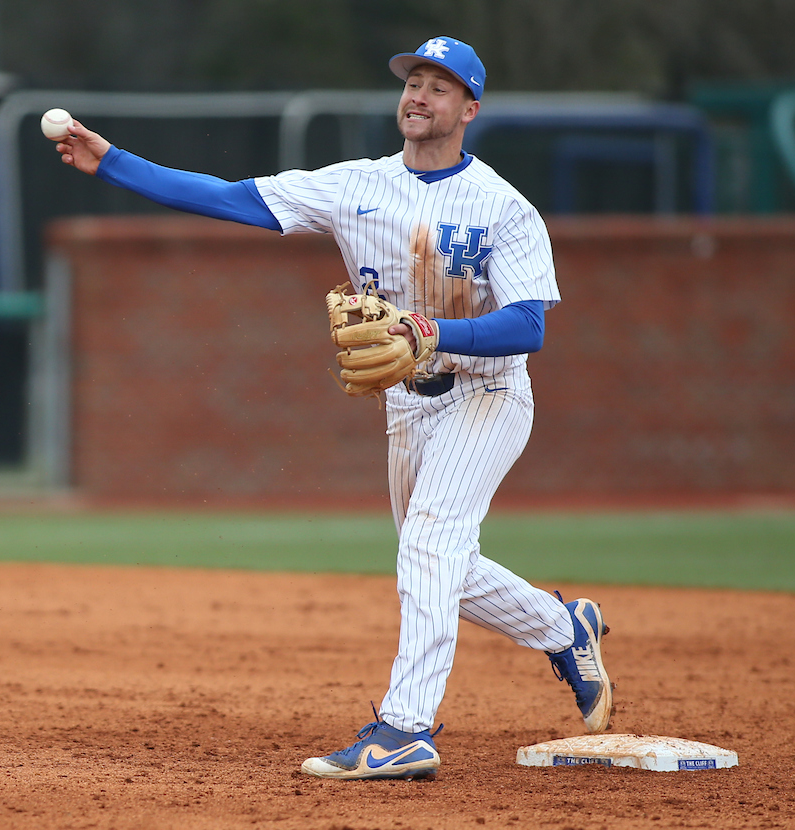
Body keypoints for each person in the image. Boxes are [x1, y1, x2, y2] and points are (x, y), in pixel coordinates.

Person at [55, 35, 613, 781]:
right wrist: (112, 161)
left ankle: (406, 729)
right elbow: (233, 199)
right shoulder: (355, 186)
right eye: (414, 80)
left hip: (488, 394)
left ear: (469, 109)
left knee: (427, 548)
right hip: (408, 407)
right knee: (445, 561)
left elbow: (529, 326)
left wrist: (432, 330)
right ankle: (562, 628)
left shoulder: (503, 208)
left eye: (439, 86)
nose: (419, 95)